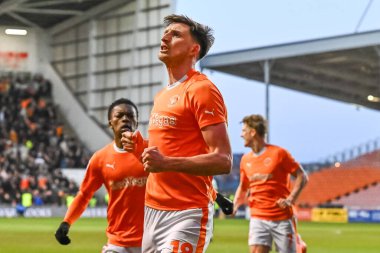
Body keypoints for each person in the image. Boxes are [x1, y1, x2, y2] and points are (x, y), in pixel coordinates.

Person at [122, 14, 232, 253]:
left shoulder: (202, 89)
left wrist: (166, 162)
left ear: (194, 49)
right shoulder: (162, 95)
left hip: (186, 212)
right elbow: (164, 155)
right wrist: (139, 147)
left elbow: (223, 160)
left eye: (175, 34)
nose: (165, 37)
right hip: (151, 210)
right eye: (166, 33)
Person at [55, 98, 148, 253]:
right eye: (119, 115)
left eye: (130, 116)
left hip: (152, 240)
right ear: (110, 122)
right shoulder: (100, 159)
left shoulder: (152, 151)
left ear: (137, 122)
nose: (125, 119)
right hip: (117, 243)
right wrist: (67, 222)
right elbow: (84, 194)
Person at [233, 114, 308, 253]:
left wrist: (290, 199)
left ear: (253, 132)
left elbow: (302, 176)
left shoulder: (279, 154)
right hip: (258, 217)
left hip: (282, 217)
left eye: (244, 131)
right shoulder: (245, 159)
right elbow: (243, 186)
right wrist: (236, 203)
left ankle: (297, 241)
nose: (241, 135)